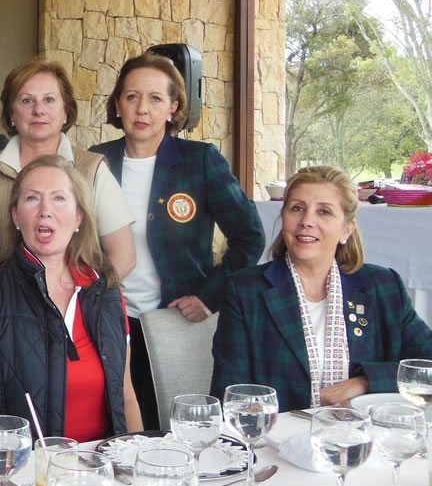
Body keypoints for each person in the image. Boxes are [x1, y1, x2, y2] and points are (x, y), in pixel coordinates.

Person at [90, 53, 265, 429]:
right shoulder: (95, 162)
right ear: (117, 104)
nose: (142, 108)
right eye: (132, 96)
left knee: (175, 426)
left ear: (173, 107)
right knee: (114, 424)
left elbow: (250, 237)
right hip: (108, 319)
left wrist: (210, 296)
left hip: (176, 320)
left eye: (155, 98)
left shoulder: (199, 161)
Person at [0, 156, 142, 444]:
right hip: (24, 466)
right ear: (16, 217)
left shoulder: (108, 294)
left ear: (78, 217)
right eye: (32, 199)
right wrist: (14, 463)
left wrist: (133, 459)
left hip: (103, 465)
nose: (45, 211)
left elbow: (127, 398)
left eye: (59, 199)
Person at [211, 166, 432, 411]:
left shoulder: (383, 286)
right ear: (283, 217)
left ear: (347, 228)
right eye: (297, 208)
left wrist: (366, 381)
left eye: (324, 211)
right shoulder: (245, 291)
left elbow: (428, 367)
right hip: (280, 433)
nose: (307, 221)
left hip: (369, 430)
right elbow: (231, 395)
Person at [0, 57, 135, 281]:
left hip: (77, 298)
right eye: (26, 100)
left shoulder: (92, 169)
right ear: (11, 113)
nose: (38, 110)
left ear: (66, 112)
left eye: (49, 100)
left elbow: (124, 256)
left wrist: (82, 296)